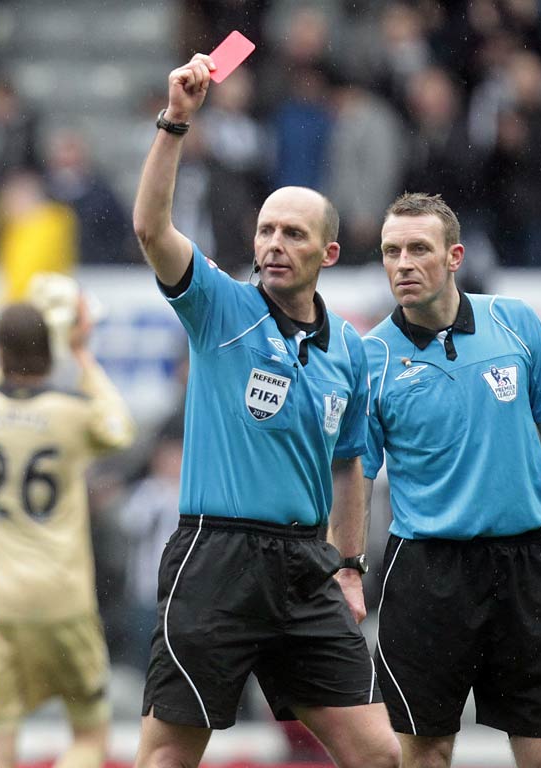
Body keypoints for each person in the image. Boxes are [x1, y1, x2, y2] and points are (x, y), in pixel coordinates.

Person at [129, 54, 401, 768]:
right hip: (216, 558)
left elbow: (350, 467)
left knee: (379, 754)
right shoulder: (222, 308)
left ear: (329, 252)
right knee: (168, 756)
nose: (274, 245)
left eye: (294, 234)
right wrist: (176, 123)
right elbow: (152, 230)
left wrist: (347, 565)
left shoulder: (350, 347)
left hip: (306, 566)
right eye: (267, 231)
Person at [363, 192, 541, 768]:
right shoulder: (369, 356)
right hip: (425, 571)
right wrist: (344, 566)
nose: (403, 263)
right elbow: (352, 474)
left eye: (419, 249)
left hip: (523, 566)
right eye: (391, 251)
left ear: (454, 256)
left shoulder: (514, 321)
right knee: (426, 753)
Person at [0, 300, 135, 768]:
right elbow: (120, 429)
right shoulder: (71, 414)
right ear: (51, 351)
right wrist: (82, 355)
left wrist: (6, 358)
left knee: (0, 742)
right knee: (90, 734)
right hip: (64, 600)